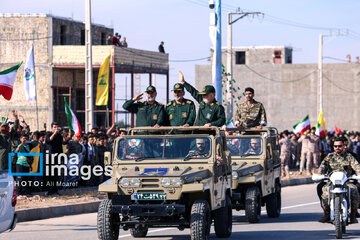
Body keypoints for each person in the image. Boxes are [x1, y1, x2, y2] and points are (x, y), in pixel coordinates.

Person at [317, 137, 360, 223]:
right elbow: (322, 167)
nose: (337, 148)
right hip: (332, 182)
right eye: (335, 146)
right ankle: (327, 213)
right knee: (324, 192)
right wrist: (320, 174)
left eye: (339, 146)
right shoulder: (329, 157)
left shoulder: (349, 157)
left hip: (346, 182)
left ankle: (353, 215)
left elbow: (357, 166)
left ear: (343, 146)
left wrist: (359, 174)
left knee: (355, 191)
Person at [45, 122, 71, 195]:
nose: (56, 129)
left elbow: (64, 142)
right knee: (50, 175)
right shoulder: (49, 134)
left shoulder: (59, 135)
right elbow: (48, 141)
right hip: (51, 157)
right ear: (52, 128)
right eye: (54, 127)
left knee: (56, 174)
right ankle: (50, 191)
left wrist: (64, 135)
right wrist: (54, 133)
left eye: (57, 127)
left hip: (58, 156)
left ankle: (55, 190)